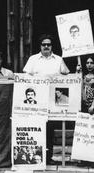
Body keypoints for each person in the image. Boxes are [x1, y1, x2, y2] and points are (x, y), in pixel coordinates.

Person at [23, 34, 69, 164]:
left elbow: (67, 77)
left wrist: (76, 72)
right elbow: (25, 78)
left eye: (49, 44)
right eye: (44, 44)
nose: (46, 47)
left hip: (52, 101)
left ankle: (48, 157)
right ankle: (35, 156)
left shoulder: (58, 60)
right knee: (36, 127)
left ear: (52, 46)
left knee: (49, 128)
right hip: (36, 100)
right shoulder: (33, 59)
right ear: (40, 46)